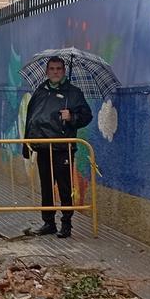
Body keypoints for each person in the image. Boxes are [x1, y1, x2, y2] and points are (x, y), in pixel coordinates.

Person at [23, 57, 92, 238]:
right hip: (43, 147)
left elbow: (87, 116)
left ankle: (67, 223)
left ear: (63, 71)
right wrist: (27, 143)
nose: (55, 72)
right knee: (46, 186)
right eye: (52, 69)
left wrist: (72, 117)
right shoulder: (40, 91)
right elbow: (31, 118)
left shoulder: (74, 93)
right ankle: (48, 223)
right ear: (47, 71)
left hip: (63, 148)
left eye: (59, 69)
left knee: (64, 186)